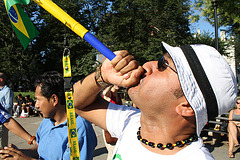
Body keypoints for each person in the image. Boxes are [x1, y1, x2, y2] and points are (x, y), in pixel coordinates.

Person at [73, 43, 237, 159]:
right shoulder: (132, 122)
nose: (147, 65)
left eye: (163, 65)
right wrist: (102, 77)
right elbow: (79, 104)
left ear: (186, 106)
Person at [0, 71, 97, 160]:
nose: (36, 105)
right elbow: (40, 149)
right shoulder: (47, 121)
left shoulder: (78, 128)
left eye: (38, 99)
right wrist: (18, 153)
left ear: (54, 99)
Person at [101, 85, 122, 160]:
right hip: (109, 127)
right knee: (112, 152)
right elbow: (105, 93)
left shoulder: (118, 95)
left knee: (117, 152)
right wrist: (110, 83)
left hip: (118, 126)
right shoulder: (109, 94)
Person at [0, 72, 14, 148]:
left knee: (2, 144)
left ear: (1, 79)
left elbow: (9, 106)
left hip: (3, 122)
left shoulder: (7, 91)